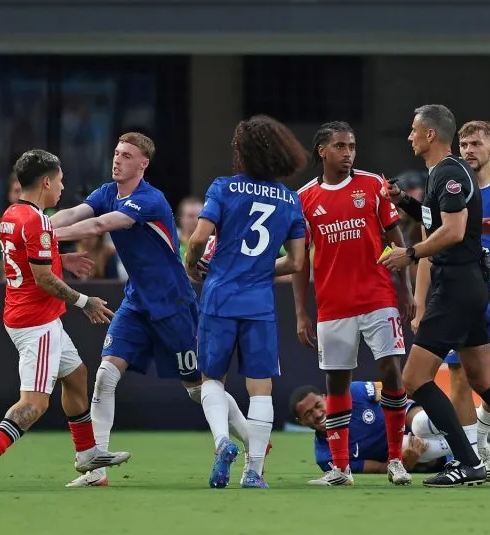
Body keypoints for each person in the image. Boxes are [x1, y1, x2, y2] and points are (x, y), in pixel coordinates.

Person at [51, 132, 252, 488]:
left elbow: (98, 225)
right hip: (136, 302)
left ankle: (254, 445)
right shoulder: (106, 191)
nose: (117, 160)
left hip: (174, 305)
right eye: (116, 153)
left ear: (143, 164)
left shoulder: (150, 200)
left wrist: (42, 237)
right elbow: (75, 212)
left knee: (197, 389)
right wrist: (38, 223)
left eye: (127, 155)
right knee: (105, 376)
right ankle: (96, 471)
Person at [379, 103, 490, 487]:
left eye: (413, 130)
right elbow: (437, 218)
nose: (408, 137)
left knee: (413, 378)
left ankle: (468, 462)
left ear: (430, 135)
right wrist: (404, 201)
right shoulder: (443, 173)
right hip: (469, 284)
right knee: (483, 379)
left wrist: (411, 253)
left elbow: (453, 231)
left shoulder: (450, 172)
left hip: (456, 285)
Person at [0, 149, 129, 492]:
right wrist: (85, 301)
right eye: (59, 179)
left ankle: (87, 456)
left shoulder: (12, 214)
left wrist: (62, 259)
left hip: (29, 315)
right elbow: (43, 279)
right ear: (45, 181)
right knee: (35, 403)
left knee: (76, 375)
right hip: (37, 323)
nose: (62, 186)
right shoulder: (37, 221)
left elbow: (30, 260)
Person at [185, 114, 308, 489]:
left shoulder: (223, 188)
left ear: (243, 152)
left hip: (219, 296)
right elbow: (298, 263)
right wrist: (257, 269)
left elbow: (196, 240)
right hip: (260, 304)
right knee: (261, 388)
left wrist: (194, 267)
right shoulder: (290, 200)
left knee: (211, 379)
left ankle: (223, 440)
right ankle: (254, 471)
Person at [293, 121, 415, 487]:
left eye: (352, 146)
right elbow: (299, 261)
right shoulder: (305, 199)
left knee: (392, 372)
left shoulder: (372, 185)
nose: (348, 153)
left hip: (378, 297)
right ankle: (341, 468)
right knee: (336, 382)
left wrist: (405, 290)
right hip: (332, 305)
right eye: (341, 146)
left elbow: (396, 239)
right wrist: (301, 311)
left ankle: (396, 460)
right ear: (323, 151)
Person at [290, 382, 454, 475]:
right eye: (308, 413)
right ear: (301, 422)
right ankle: (468, 445)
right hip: (403, 450)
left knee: (419, 423)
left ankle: (470, 421)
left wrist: (435, 405)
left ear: (326, 398)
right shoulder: (325, 457)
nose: (318, 414)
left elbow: (397, 392)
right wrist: (406, 464)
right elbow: (380, 468)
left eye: (318, 405)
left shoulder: (354, 391)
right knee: (407, 445)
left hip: (407, 418)